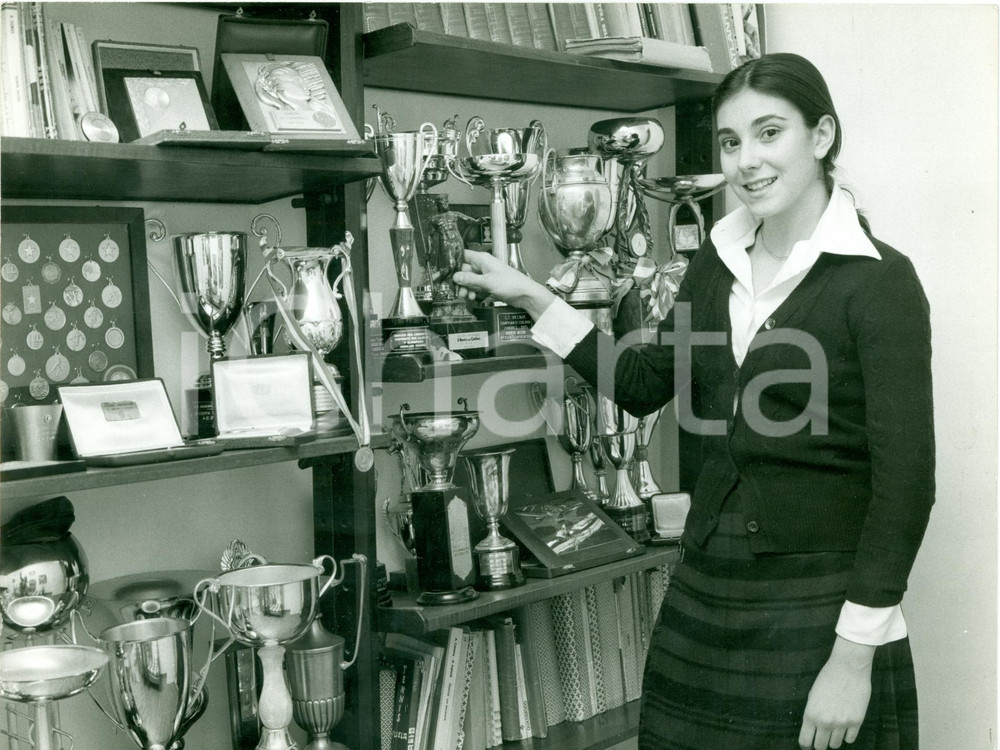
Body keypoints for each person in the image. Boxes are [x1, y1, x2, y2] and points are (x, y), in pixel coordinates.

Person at [454, 53, 933, 750]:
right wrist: (535, 296)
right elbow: (645, 384)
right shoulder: (716, 263)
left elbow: (906, 486)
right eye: (732, 142)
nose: (747, 161)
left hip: (823, 609)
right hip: (708, 594)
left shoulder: (879, 282)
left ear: (822, 136)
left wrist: (853, 658)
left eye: (770, 134)